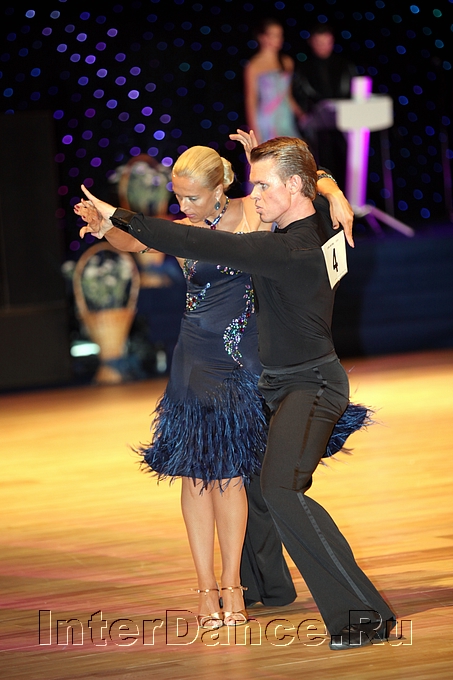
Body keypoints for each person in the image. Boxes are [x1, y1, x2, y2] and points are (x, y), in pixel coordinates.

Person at [75, 134, 396, 650]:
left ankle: (362, 615)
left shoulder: (283, 247)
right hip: (274, 381)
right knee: (263, 486)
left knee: (278, 489)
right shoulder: (304, 220)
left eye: (264, 185)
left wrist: (121, 215)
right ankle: (280, 590)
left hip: (309, 384)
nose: (257, 193)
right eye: (254, 184)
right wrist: (331, 189)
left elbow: (205, 243)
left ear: (292, 188)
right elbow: (305, 177)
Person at [292, 23, 358, 189]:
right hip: (318, 131)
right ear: (311, 42)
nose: (323, 47)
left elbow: (354, 93)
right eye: (319, 43)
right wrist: (304, 118)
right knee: (323, 166)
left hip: (345, 126)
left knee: (348, 166)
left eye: (326, 42)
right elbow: (299, 96)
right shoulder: (304, 69)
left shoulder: (345, 65)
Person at [244, 18, 304, 143]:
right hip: (267, 121)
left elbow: (287, 96)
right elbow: (251, 100)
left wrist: (302, 115)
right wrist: (254, 131)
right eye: (273, 35)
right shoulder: (254, 66)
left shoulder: (287, 62)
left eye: (280, 35)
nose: (278, 39)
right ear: (262, 37)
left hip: (286, 119)